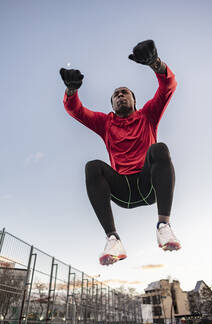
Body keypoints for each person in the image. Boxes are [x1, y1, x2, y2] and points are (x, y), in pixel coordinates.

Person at [60, 39, 181, 266]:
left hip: (149, 186)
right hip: (122, 191)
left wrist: (156, 63)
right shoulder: (105, 123)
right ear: (112, 104)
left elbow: (168, 87)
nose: (120, 96)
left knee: (159, 149)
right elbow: (76, 110)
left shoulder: (147, 115)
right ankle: (113, 239)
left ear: (134, 101)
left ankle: (164, 226)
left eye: (125, 93)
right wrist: (71, 90)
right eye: (116, 95)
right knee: (92, 166)